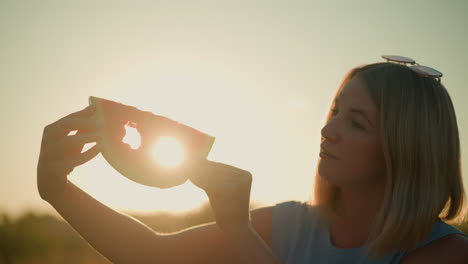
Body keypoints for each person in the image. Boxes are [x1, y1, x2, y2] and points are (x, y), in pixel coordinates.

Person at [37, 56, 468, 263]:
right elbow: (151, 254)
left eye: (356, 122)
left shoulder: (446, 253)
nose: (327, 129)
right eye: (334, 111)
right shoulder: (291, 225)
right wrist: (58, 192)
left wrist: (241, 232)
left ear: (405, 147)